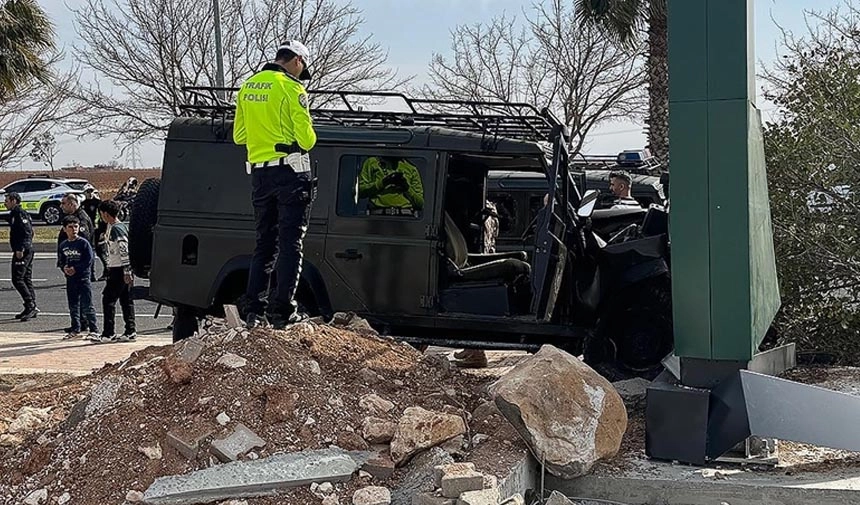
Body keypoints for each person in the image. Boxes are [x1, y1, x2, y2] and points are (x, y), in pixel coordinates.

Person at [233, 39, 316, 329]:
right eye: (302, 68)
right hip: (290, 173)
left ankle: (254, 310)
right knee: (291, 242)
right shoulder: (293, 89)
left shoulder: (248, 86)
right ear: (296, 60)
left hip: (259, 174)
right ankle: (284, 311)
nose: (301, 74)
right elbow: (307, 140)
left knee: (264, 245)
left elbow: (239, 136)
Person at [90, 200, 136, 343]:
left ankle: (108, 333)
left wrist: (127, 270)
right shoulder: (114, 227)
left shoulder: (117, 228)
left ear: (105, 213)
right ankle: (130, 330)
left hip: (119, 269)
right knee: (125, 300)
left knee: (108, 299)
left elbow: (124, 249)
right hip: (119, 268)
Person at [57, 193, 97, 330]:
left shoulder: (81, 219)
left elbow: (84, 248)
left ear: (72, 204)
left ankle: (87, 324)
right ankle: (77, 325)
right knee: (73, 301)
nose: (61, 206)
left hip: (81, 269)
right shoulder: (69, 219)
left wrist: (77, 267)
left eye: (63, 203)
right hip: (70, 266)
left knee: (85, 300)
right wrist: (64, 266)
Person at [4, 192, 38, 321]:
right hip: (23, 249)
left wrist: (21, 248)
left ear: (13, 201)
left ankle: (30, 305)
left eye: (6, 201)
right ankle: (31, 307)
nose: (5, 203)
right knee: (26, 278)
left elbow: (28, 232)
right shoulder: (14, 214)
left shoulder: (20, 213)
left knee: (17, 279)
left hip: (23, 251)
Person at [357, 156, 424, 216]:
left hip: (405, 217)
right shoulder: (371, 163)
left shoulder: (411, 168)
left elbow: (420, 203)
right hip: (378, 217)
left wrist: (406, 188)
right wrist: (383, 182)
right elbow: (359, 191)